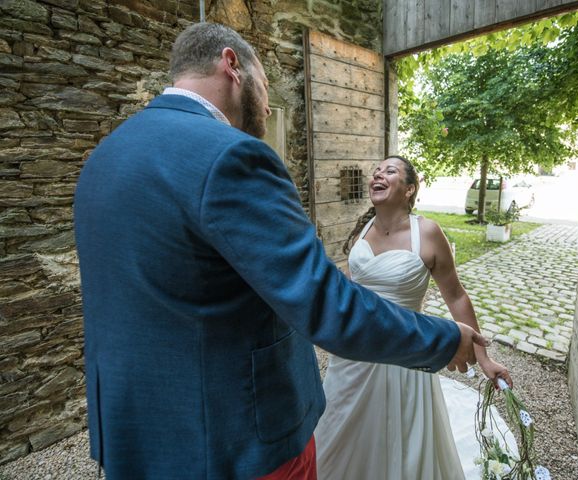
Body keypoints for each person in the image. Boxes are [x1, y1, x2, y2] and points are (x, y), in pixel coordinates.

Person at [73, 23, 487, 480]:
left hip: (135, 437)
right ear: (231, 66)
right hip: (238, 442)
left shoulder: (105, 156)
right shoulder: (232, 156)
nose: (267, 107)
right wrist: (445, 339)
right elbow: (325, 301)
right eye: (266, 87)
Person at [315, 155, 513, 479]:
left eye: (389, 171)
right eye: (376, 171)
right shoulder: (361, 230)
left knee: (402, 438)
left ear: (409, 189)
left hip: (409, 351)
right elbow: (351, 290)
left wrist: (483, 356)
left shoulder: (429, 233)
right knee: (340, 426)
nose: (378, 175)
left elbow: (457, 295)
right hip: (356, 354)